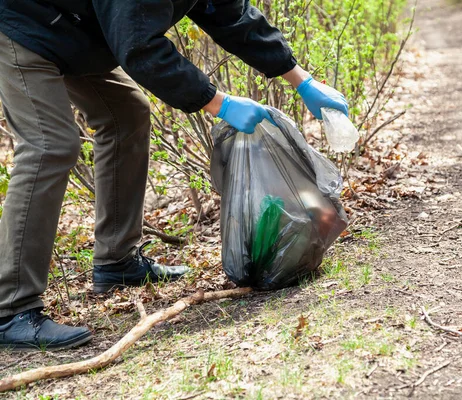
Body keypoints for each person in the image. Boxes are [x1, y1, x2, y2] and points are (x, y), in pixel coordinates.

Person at [0, 0, 348, 351]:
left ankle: (116, 263)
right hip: (23, 22)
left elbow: (234, 17)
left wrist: (301, 80)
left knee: (127, 114)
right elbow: (140, 48)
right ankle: (11, 309)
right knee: (51, 145)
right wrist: (220, 103)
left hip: (77, 31)